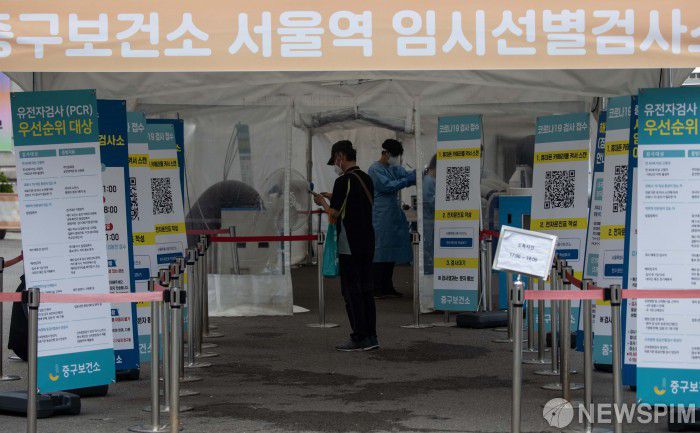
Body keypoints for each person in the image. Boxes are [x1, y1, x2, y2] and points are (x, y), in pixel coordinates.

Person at [313, 140, 378, 351]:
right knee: (367, 289)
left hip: (349, 243)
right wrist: (333, 197)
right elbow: (355, 202)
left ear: (340, 156)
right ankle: (371, 336)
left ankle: (359, 337)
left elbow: (334, 214)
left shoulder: (343, 181)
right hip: (368, 241)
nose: (335, 164)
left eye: (335, 160)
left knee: (351, 292)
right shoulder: (366, 178)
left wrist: (323, 203)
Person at [368, 139, 416, 299]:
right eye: (395, 155)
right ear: (386, 153)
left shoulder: (393, 168)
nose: (396, 159)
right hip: (380, 214)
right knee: (380, 250)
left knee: (391, 251)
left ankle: (387, 287)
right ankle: (376, 288)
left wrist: (417, 174)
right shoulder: (374, 169)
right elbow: (387, 186)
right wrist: (407, 180)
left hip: (392, 213)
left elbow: (406, 175)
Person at [423, 154, 437, 275]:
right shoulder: (428, 180)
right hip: (428, 220)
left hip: (430, 220)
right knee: (428, 247)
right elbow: (429, 201)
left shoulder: (431, 180)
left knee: (430, 247)